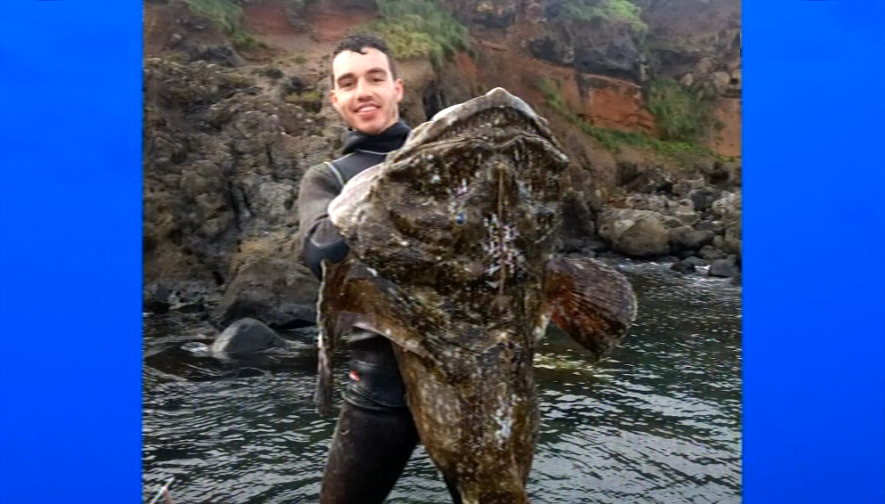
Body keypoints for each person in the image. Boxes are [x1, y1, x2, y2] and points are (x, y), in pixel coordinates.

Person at [297, 34, 461, 504]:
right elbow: (321, 255)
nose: (362, 91)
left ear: (398, 88)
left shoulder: (446, 160)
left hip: (462, 377)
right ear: (335, 99)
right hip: (378, 387)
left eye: (375, 78)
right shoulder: (328, 177)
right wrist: (397, 180)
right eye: (348, 83)